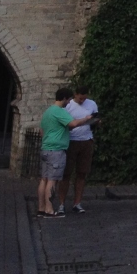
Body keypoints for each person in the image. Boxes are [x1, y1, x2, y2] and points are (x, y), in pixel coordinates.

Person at [39, 87, 96, 218]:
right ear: (64, 98)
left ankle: (41, 208)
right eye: (69, 99)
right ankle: (49, 210)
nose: (69, 102)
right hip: (56, 150)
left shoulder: (48, 111)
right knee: (52, 180)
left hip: (46, 148)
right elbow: (73, 123)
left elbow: (42, 131)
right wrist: (86, 119)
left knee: (44, 180)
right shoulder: (59, 111)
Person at [58, 86, 99, 214]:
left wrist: (96, 122)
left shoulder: (92, 104)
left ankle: (77, 203)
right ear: (75, 95)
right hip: (71, 141)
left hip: (86, 140)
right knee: (66, 174)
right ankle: (61, 204)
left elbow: (96, 119)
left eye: (84, 99)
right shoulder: (68, 105)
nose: (82, 101)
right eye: (80, 98)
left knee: (82, 173)